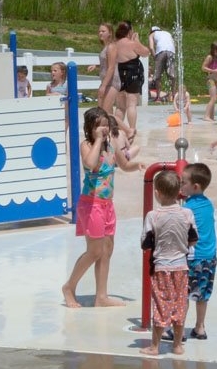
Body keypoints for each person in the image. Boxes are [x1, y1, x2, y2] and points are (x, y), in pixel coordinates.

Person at [62, 107, 143, 309]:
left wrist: (139, 166)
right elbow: (89, 164)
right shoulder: (87, 145)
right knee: (94, 251)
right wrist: (98, 140)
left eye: (106, 124)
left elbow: (124, 164)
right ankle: (69, 287)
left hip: (107, 205)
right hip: (91, 204)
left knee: (107, 250)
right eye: (100, 125)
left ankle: (101, 296)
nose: (104, 128)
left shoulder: (112, 145)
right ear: (90, 128)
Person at [139, 170, 197, 356]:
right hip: (182, 267)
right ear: (179, 190)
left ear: (157, 193)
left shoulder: (153, 216)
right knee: (180, 304)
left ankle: (155, 346)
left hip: (162, 268)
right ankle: (177, 346)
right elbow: (193, 239)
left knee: (161, 305)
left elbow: (145, 243)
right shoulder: (187, 213)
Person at [166, 163, 217, 342]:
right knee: (202, 295)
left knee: (183, 294)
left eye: (183, 182)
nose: (180, 185)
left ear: (195, 187)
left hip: (193, 258)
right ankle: (200, 327)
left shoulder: (188, 209)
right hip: (209, 257)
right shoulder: (208, 205)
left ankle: (178, 329)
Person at [115, 21, 150, 139]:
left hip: (119, 75)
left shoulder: (115, 44)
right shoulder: (132, 44)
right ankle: (132, 129)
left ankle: (116, 129)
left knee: (120, 106)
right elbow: (146, 53)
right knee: (131, 105)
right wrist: (137, 41)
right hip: (133, 75)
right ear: (130, 31)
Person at [148, 25, 176, 102]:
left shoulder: (152, 34)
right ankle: (174, 96)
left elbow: (151, 47)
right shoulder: (167, 33)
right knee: (171, 75)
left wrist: (155, 57)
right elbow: (173, 44)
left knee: (157, 76)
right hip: (171, 51)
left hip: (161, 51)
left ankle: (158, 97)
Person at [201, 41, 217, 122]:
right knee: (213, 98)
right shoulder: (209, 57)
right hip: (211, 80)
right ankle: (206, 116)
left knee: (214, 98)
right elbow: (203, 67)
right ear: (213, 49)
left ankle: (212, 116)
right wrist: (212, 70)